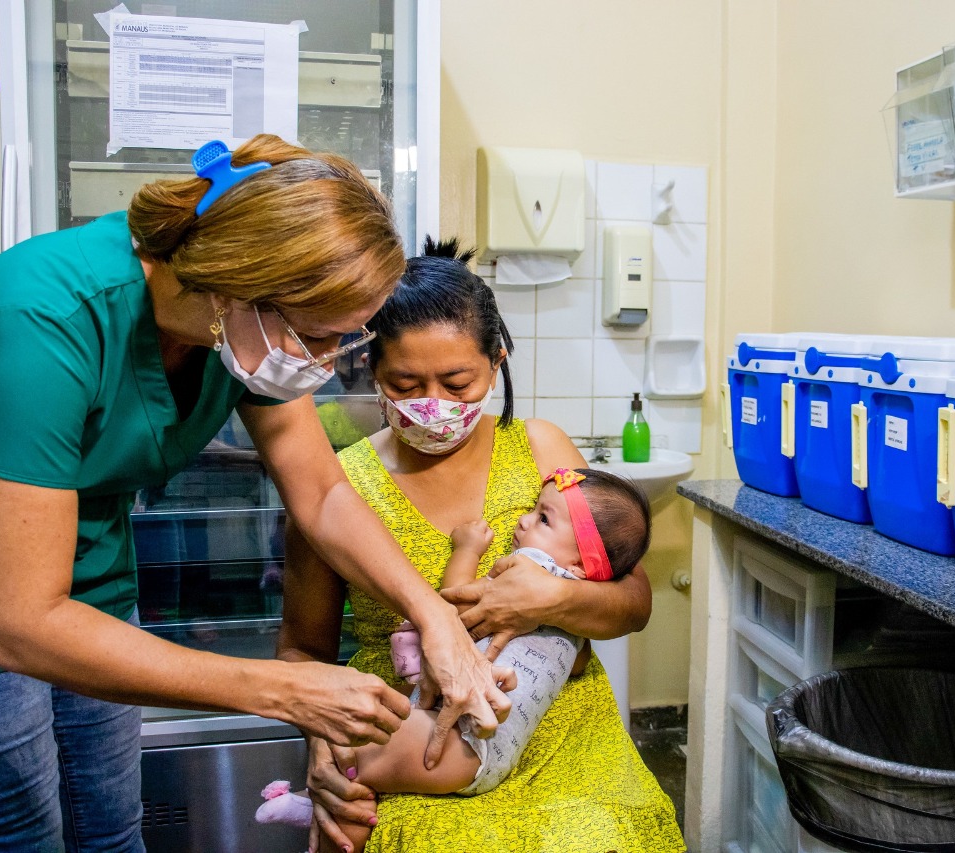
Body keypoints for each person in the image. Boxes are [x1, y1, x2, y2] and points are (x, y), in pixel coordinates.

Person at [0, 135, 511, 852]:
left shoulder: (236, 332)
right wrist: (283, 687)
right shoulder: (38, 319)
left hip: (92, 590)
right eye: (316, 336)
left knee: (110, 833)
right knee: (22, 836)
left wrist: (430, 610)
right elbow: (21, 620)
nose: (318, 367)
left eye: (340, 342)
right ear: (235, 281)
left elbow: (320, 493)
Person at [278, 238, 686, 853]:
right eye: (406, 384)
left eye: (458, 382)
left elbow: (634, 601)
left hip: (554, 719)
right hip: (413, 730)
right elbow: (303, 649)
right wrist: (326, 744)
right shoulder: (333, 488)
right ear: (372, 371)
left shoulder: (541, 449)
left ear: (495, 363)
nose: (434, 406)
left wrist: (546, 598)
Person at [258, 467, 653, 848]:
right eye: (534, 509)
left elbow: (455, 605)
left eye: (543, 519)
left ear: (581, 565)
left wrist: (466, 549)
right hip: (489, 745)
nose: (523, 520)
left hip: (465, 739)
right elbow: (578, 662)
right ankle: (317, 809)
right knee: (364, 766)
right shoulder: (577, 614)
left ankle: (311, 804)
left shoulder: (531, 569)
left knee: (354, 748)